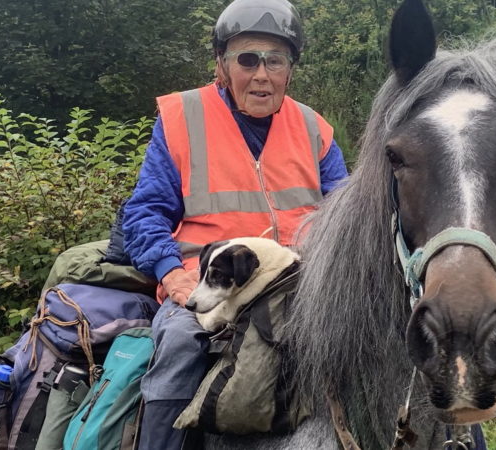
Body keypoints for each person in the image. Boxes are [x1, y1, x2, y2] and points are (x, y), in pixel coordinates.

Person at [120, 0, 348, 447]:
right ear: (222, 66)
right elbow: (145, 212)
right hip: (208, 282)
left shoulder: (315, 128)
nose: (261, 74)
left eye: (275, 60)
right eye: (247, 59)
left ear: (290, 69)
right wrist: (172, 274)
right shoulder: (182, 119)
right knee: (181, 348)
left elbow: (346, 211)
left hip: (299, 285)